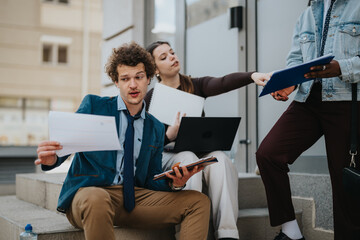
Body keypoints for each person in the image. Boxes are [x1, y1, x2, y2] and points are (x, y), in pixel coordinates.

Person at [35, 42, 211, 240]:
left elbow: (151, 180)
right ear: (116, 82)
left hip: (133, 198)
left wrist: (176, 183)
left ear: (149, 79)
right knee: (97, 198)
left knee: (198, 202)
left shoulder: (154, 126)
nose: (133, 85)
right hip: (89, 195)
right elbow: (65, 145)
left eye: (139, 77)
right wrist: (53, 160)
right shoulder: (95, 106)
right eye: (125, 79)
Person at [144, 40, 270, 240]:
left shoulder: (195, 84)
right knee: (187, 158)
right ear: (155, 69)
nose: (172, 57)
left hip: (201, 150)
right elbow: (146, 142)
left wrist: (252, 76)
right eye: (164, 57)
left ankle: (227, 234)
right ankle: (188, 232)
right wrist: (170, 135)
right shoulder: (150, 98)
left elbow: (222, 82)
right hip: (170, 154)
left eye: (172, 52)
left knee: (221, 159)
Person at [256, 0, 360, 239]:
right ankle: (291, 232)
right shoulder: (307, 13)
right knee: (268, 154)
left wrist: (340, 68)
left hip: (346, 101)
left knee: (343, 181)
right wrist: (290, 81)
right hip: (308, 101)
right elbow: (295, 58)